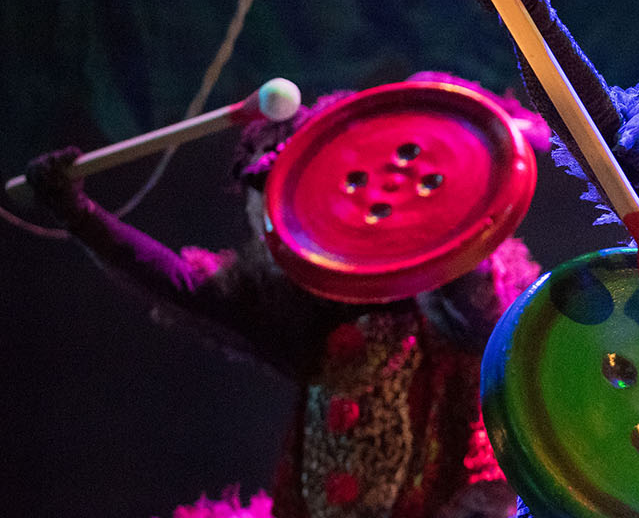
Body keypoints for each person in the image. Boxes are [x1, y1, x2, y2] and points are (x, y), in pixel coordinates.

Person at [25, 72, 547, 518]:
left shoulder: (457, 296)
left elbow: (472, 273)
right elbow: (186, 287)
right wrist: (79, 214)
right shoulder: (298, 305)